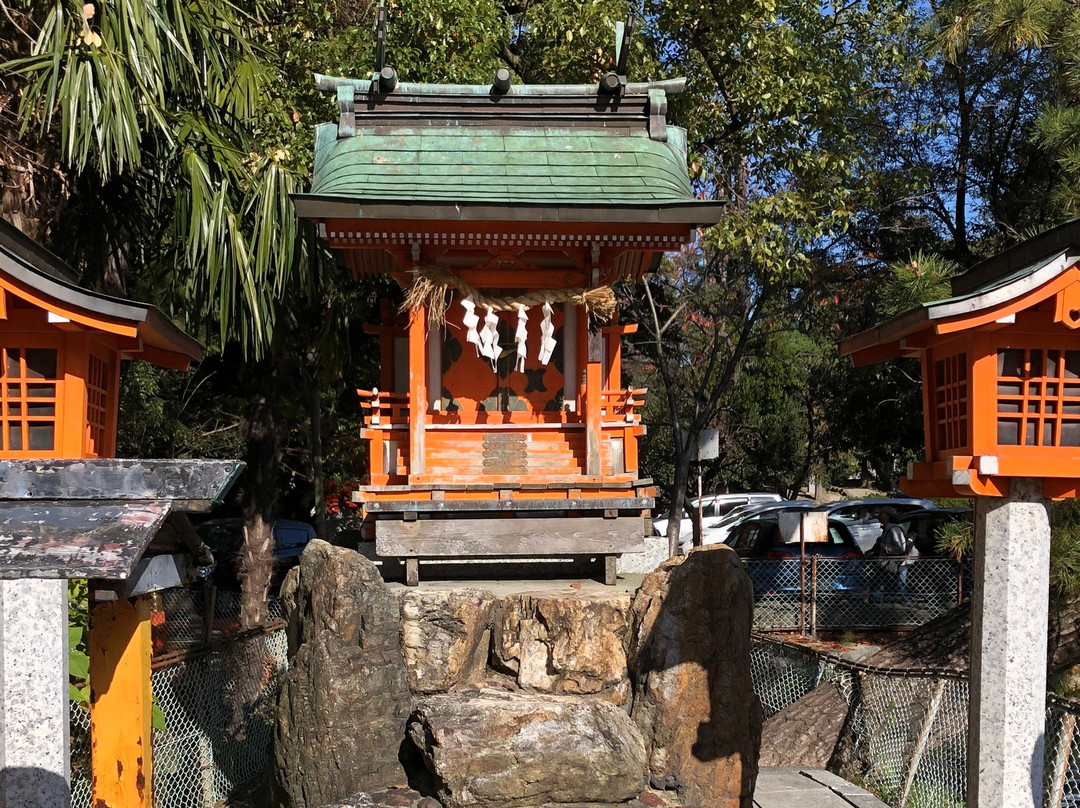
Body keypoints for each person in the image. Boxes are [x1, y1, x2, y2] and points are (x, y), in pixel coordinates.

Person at [870, 506, 917, 602]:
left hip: (898, 562)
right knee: (882, 580)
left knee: (900, 582)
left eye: (881, 514)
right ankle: (877, 600)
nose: (878, 516)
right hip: (889, 562)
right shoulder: (888, 529)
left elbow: (900, 547)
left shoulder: (894, 529)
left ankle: (908, 601)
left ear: (888, 516)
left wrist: (885, 547)